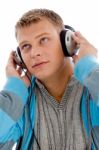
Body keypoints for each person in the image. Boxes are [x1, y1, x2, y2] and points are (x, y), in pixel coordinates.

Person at [0, 8, 99, 150]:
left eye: (43, 40)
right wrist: (14, 88)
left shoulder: (92, 90)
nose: (34, 53)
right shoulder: (19, 105)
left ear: (67, 42)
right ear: (20, 57)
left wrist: (89, 67)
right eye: (26, 46)